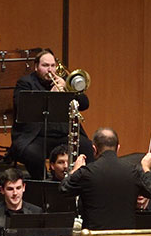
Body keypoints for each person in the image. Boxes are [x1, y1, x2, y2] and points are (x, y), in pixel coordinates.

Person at [12, 50, 92, 180]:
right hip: (37, 135)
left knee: (86, 146)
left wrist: (67, 88)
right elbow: (21, 105)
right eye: (45, 66)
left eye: (53, 65)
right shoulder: (25, 82)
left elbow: (84, 104)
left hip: (64, 134)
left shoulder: (64, 82)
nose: (50, 69)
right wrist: (52, 95)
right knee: (33, 155)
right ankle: (43, 185)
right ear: (36, 67)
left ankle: (84, 185)